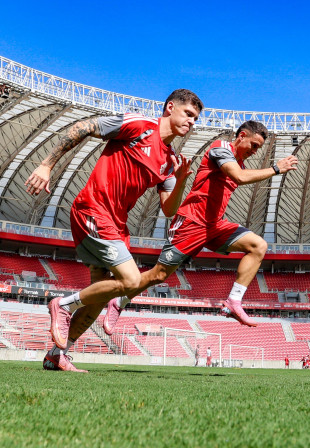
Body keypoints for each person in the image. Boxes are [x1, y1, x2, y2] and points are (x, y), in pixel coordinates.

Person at [24, 89, 202, 372]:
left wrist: (180, 181)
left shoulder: (170, 161)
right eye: (188, 114)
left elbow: (169, 209)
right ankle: (62, 305)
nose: (192, 122)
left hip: (117, 224)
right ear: (170, 107)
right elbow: (83, 127)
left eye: (195, 118)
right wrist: (47, 165)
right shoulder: (140, 126)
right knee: (131, 281)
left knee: (98, 298)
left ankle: (57, 355)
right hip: (93, 210)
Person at [100, 121, 298, 334]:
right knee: (158, 275)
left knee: (258, 246)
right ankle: (118, 301)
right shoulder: (221, 148)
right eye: (254, 145)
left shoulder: (238, 162)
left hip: (215, 225)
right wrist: (276, 168)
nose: (254, 151)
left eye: (258, 148)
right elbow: (238, 178)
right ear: (241, 136)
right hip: (191, 223)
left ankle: (234, 301)